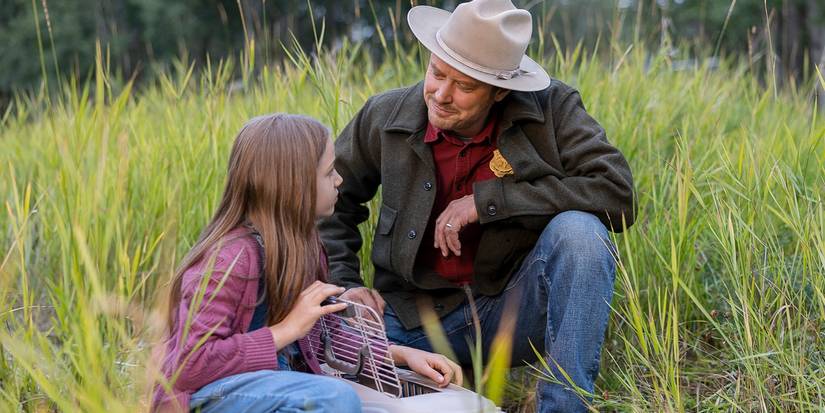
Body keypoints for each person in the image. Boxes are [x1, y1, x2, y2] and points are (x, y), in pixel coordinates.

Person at [318, 1, 636, 411]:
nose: (442, 95)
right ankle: (452, 380)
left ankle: (562, 406)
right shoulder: (385, 114)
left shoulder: (552, 110)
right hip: (409, 316)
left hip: (511, 309)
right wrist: (346, 282)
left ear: (501, 90)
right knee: (320, 349)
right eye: (436, 73)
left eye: (465, 87)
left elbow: (616, 194)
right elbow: (328, 204)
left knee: (581, 233)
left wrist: (490, 201)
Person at [152, 114, 462, 413]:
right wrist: (285, 330)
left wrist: (399, 354)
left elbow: (327, 335)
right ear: (293, 186)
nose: (340, 179)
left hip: (276, 386)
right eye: (329, 173)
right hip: (208, 396)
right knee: (333, 399)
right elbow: (189, 365)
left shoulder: (306, 246)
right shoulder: (229, 260)